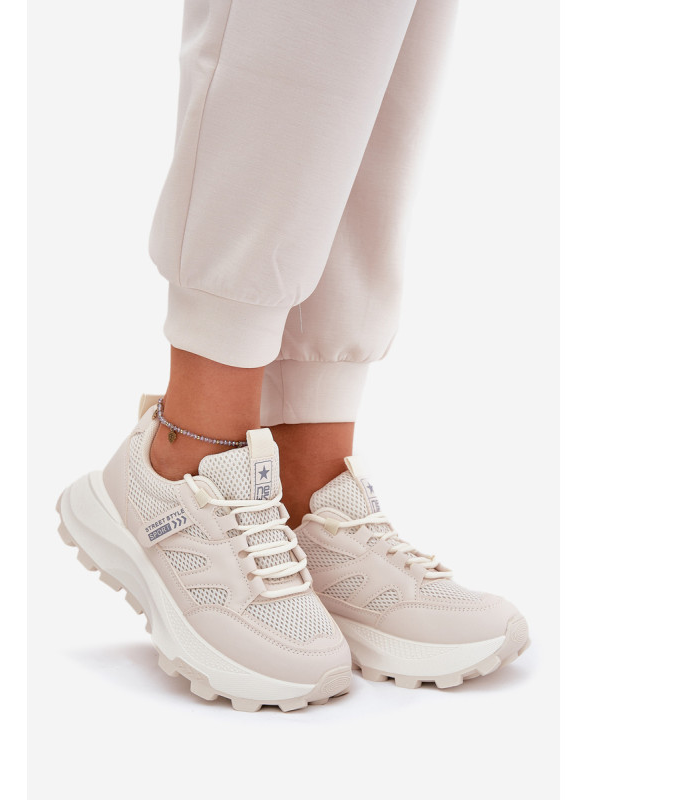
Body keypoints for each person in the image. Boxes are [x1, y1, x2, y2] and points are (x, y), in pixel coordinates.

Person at [57, 0, 529, 711]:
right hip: (194, 427)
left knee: (384, 74)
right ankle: (187, 450)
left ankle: (306, 486)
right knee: (295, 37)